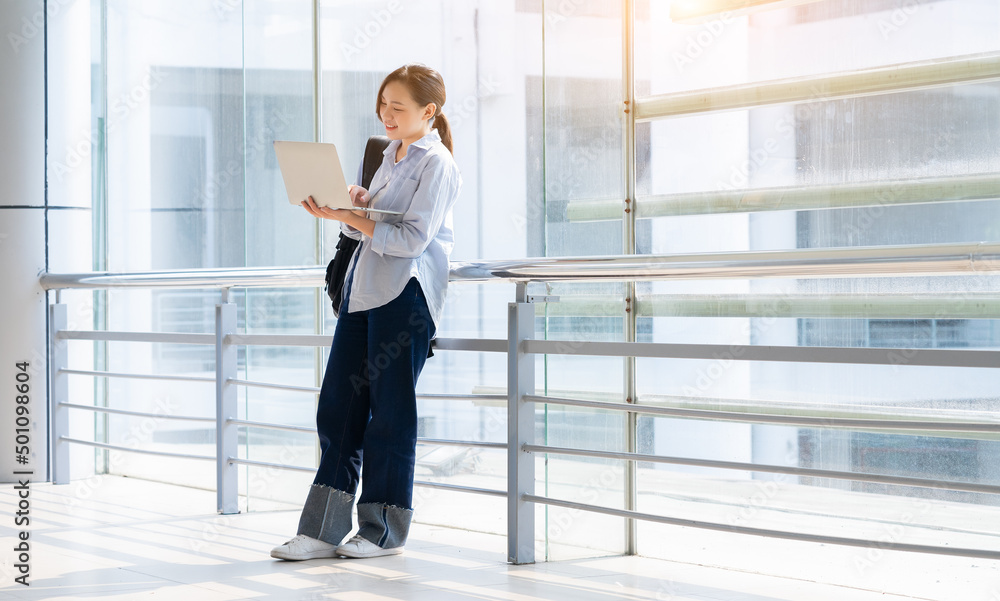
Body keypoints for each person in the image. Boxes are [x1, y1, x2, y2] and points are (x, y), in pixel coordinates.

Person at [270, 63, 462, 560]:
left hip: (404, 295)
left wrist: (350, 214)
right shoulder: (389, 155)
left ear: (429, 111)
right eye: (383, 105)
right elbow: (363, 232)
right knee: (338, 408)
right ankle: (321, 530)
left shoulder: (435, 164)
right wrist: (346, 206)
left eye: (397, 107)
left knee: (390, 417)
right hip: (363, 292)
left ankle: (381, 531)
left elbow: (412, 240)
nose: (387, 114)